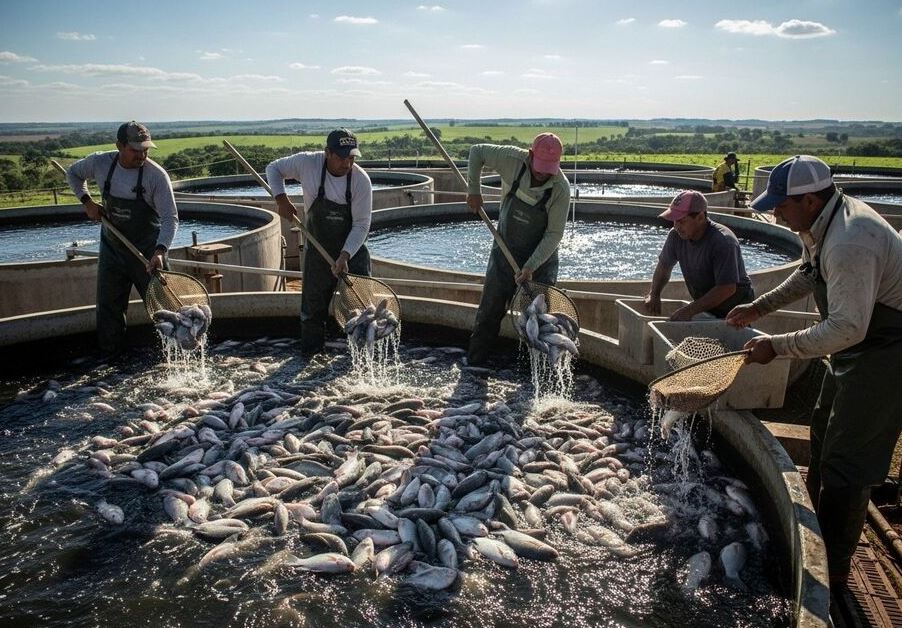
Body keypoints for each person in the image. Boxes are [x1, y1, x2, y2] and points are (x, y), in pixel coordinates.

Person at [725, 155, 902, 589]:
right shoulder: (821, 224)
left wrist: (777, 347)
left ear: (808, 200)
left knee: (850, 458)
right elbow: (809, 274)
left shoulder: (850, 242)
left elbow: (846, 327)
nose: (776, 213)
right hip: (859, 345)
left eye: (781, 205)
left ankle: (836, 569)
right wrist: (759, 307)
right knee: (824, 432)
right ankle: (818, 530)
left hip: (888, 349)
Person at [66, 121, 178, 356]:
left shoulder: (156, 176)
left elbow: (170, 219)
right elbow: (73, 174)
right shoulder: (99, 163)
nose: (142, 155)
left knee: (162, 309)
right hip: (112, 250)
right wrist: (87, 202)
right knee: (109, 309)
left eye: (145, 149)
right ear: (119, 145)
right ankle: (111, 358)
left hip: (147, 253)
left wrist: (160, 251)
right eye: (135, 149)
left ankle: (172, 358)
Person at [465, 133, 571, 365]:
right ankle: (475, 365)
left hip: (541, 262)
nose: (542, 173)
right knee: (489, 311)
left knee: (539, 320)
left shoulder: (561, 189)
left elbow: (554, 234)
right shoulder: (511, 159)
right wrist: (474, 189)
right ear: (530, 154)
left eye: (549, 168)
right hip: (505, 251)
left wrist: (531, 266)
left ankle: (536, 374)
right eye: (539, 166)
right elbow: (476, 151)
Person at [265, 128, 372, 353]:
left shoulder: (361, 181)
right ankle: (310, 358)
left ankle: (362, 360)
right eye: (342, 157)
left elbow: (361, 225)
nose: (347, 164)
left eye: (351, 158)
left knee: (361, 311)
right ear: (328, 153)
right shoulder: (307, 163)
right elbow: (273, 169)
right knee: (312, 312)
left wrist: (345, 255)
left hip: (352, 252)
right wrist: (281, 198)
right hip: (318, 248)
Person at [644, 190, 754, 320]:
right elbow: (664, 266)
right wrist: (654, 294)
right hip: (705, 306)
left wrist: (689, 310)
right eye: (674, 221)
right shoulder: (676, 236)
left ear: (700, 217)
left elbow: (727, 288)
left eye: (682, 221)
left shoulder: (723, 241)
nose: (676, 226)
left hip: (735, 310)